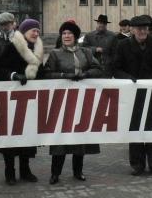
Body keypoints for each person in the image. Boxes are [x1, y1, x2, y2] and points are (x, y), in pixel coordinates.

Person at [40, 21, 104, 184]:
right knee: (60, 138)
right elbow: (46, 74)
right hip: (62, 102)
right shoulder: (55, 54)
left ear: (75, 36)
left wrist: (85, 74)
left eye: (69, 33)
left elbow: (98, 70)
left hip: (82, 101)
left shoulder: (86, 52)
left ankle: (78, 171)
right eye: (64, 34)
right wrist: (64, 76)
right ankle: (55, 173)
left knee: (79, 137)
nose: (66, 36)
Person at [113, 14, 152, 177]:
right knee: (136, 127)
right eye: (139, 29)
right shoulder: (123, 45)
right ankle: (137, 164)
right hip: (132, 93)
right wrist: (127, 78)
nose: (142, 31)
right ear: (132, 30)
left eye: (145, 28)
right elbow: (116, 68)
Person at [0, 14, 42, 185]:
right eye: (2, 24)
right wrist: (13, 75)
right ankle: (9, 172)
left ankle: (25, 170)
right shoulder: (3, 44)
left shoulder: (36, 47)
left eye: (8, 23)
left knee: (27, 134)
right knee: (10, 135)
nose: (6, 26)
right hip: (8, 95)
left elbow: (41, 70)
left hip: (29, 96)